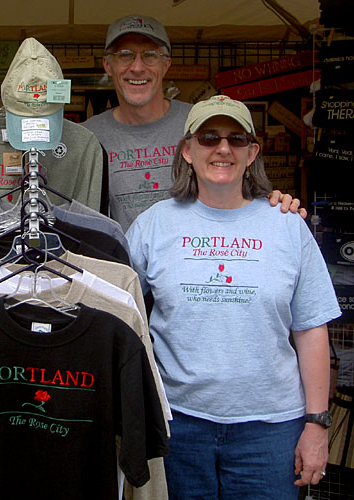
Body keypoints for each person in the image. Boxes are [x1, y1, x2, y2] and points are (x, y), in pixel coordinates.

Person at [125, 95, 341, 500]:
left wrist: (316, 424)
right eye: (209, 138)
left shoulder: (287, 227)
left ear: (252, 152)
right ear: (187, 150)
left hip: (272, 430)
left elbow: (311, 329)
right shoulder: (153, 225)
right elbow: (120, 310)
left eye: (236, 139)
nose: (222, 149)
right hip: (178, 423)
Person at [82, 14, 304, 231]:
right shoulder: (87, 137)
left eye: (150, 55)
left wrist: (272, 202)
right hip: (119, 265)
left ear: (166, 64)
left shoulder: (203, 124)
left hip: (199, 259)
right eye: (125, 55)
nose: (137, 67)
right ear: (107, 65)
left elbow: (242, 192)